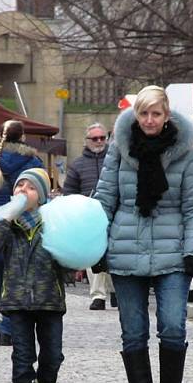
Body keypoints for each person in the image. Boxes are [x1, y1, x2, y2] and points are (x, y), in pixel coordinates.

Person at [94, 85, 193, 383]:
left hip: (173, 252)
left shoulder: (185, 154)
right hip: (126, 250)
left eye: (156, 114)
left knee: (173, 326)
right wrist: (98, 245)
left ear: (167, 115)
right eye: (144, 113)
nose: (150, 120)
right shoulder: (119, 150)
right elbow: (105, 198)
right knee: (133, 332)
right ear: (135, 115)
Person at [0, 168, 66, 383]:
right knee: (22, 354)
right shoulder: (8, 223)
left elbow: (69, 260)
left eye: (30, 188)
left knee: (52, 355)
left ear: (40, 196)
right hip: (17, 301)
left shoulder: (54, 222)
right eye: (19, 187)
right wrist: (7, 219)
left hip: (49, 299)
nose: (23, 191)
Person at [0, 119, 44, 346]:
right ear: (23, 137)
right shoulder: (33, 161)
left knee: (1, 278)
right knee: (24, 278)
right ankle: (18, 326)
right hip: (26, 228)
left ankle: (6, 327)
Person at [63, 122, 117, 311]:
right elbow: (69, 192)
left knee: (115, 253)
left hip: (114, 213)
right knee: (94, 254)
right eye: (95, 138)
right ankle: (98, 295)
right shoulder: (77, 165)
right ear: (87, 141)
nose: (99, 141)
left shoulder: (115, 159)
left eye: (102, 137)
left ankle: (116, 291)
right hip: (89, 214)